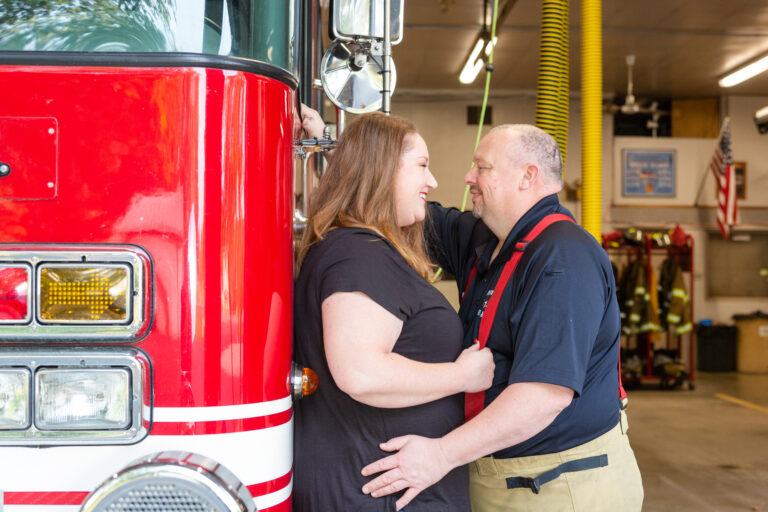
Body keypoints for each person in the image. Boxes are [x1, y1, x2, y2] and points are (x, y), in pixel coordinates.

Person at [359, 124, 644, 511]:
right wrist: (338, 150)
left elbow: (543, 396)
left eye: (482, 167)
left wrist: (439, 456)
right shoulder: (492, 240)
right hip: (509, 478)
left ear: (528, 176)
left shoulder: (564, 258)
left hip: (560, 486)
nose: (467, 178)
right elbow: (422, 214)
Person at [293, 107, 495, 512]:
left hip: (376, 484)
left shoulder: (357, 247)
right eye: (421, 165)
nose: (432, 181)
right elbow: (361, 373)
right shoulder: (358, 254)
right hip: (373, 491)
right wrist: (462, 376)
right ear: (382, 170)